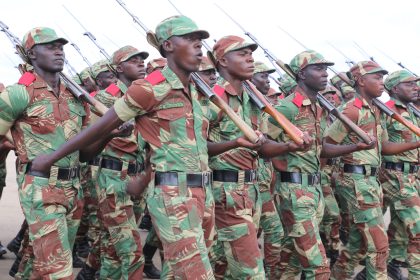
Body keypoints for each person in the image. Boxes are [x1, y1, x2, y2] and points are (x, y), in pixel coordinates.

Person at [30, 15, 220, 279]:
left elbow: (174, 148)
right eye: (190, 39)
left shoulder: (196, 91)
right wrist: (52, 157)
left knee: (179, 271)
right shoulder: (150, 88)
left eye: (200, 41)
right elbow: (102, 126)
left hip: (203, 192)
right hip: (174, 195)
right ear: (167, 46)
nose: (199, 45)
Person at [0, 27, 122, 279]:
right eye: (50, 47)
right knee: (58, 269)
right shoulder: (19, 93)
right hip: (41, 188)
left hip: (72, 187)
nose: (58, 51)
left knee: (41, 263)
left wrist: (109, 134)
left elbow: (85, 153)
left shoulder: (75, 97)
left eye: (61, 47)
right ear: (32, 54)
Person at [324, 61, 405, 279]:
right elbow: (325, 147)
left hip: (370, 182)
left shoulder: (375, 109)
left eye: (382, 78)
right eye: (376, 78)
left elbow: (385, 147)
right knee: (379, 246)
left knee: (359, 244)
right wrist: (355, 147)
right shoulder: (351, 110)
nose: (382, 83)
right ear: (361, 81)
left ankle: (337, 276)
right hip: (355, 181)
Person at [265, 50, 334, 279]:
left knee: (290, 261)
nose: (325, 74)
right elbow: (263, 145)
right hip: (295, 191)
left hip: (313, 190)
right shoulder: (287, 108)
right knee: (318, 266)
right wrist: (283, 164)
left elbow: (320, 148)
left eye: (326, 69)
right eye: (318, 69)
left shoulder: (317, 107)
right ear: (302, 74)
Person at [379, 70, 420, 279]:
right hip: (394, 175)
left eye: (416, 83)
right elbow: (382, 147)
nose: (416, 87)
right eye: (410, 84)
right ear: (395, 88)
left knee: (398, 226)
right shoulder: (386, 111)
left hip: (412, 176)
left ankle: (392, 263)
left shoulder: (412, 111)